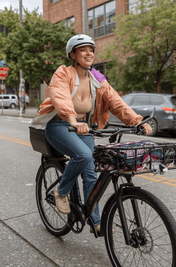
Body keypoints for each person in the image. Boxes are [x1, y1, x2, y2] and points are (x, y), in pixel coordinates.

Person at [31, 34, 152, 234]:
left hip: (82, 127)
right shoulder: (63, 73)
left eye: (91, 50)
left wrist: (136, 120)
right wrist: (72, 119)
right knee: (84, 155)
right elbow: (60, 96)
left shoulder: (97, 78)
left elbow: (115, 100)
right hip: (60, 125)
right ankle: (61, 191)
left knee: (90, 175)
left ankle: (95, 222)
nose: (89, 53)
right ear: (73, 54)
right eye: (83, 49)